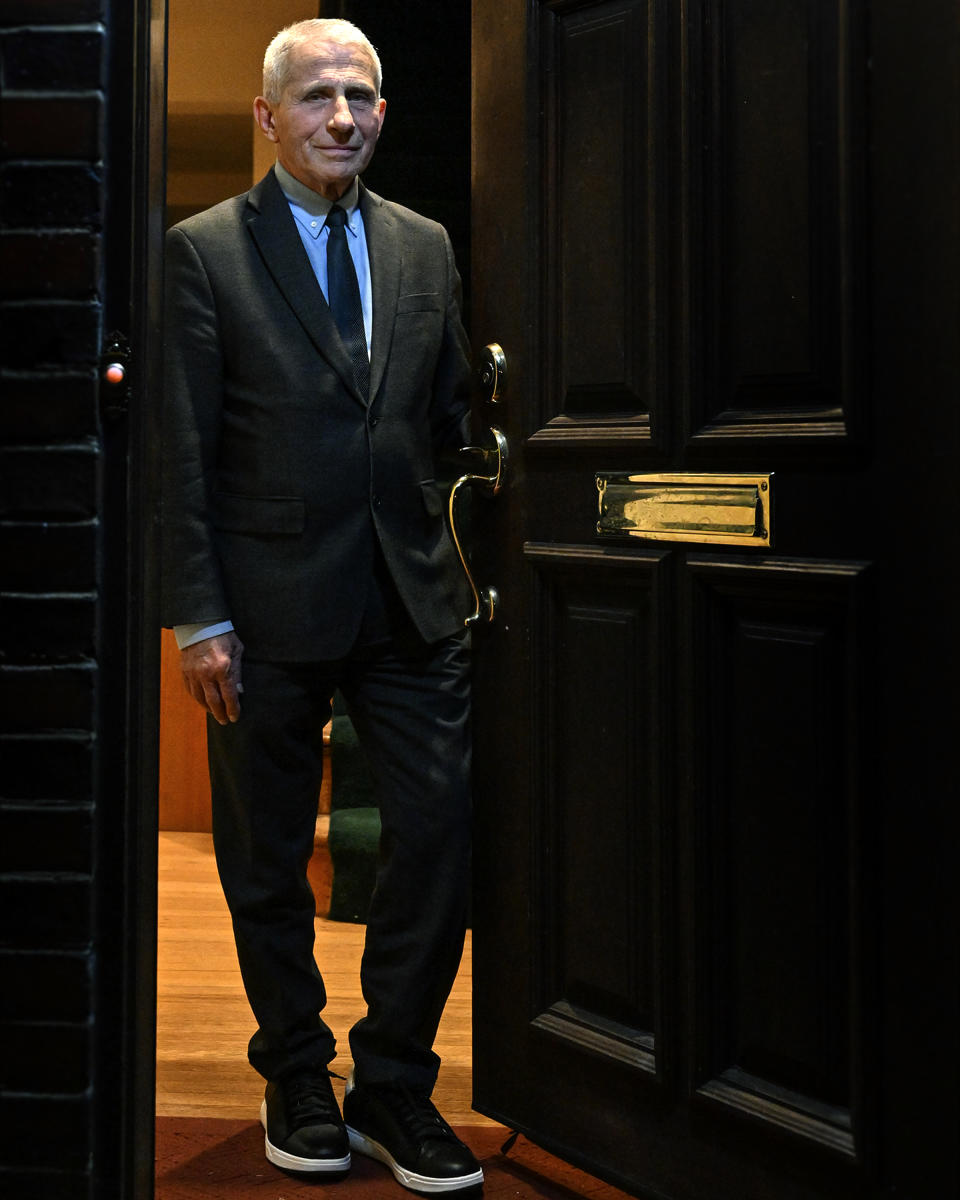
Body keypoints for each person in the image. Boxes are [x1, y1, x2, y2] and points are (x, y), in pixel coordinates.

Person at [161, 18, 482, 1195]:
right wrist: (199, 617)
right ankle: (296, 1068)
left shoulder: (428, 246)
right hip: (262, 608)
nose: (339, 116)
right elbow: (179, 452)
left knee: (439, 834)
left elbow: (449, 424)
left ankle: (395, 1080)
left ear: (385, 112)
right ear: (269, 117)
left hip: (411, 601)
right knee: (263, 860)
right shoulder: (201, 252)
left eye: (360, 95)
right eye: (315, 98)